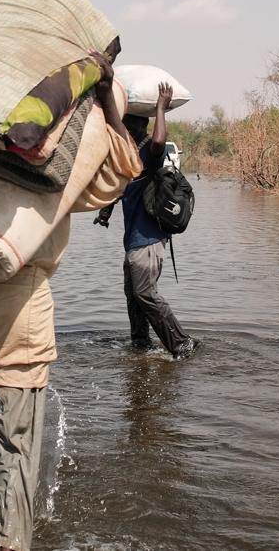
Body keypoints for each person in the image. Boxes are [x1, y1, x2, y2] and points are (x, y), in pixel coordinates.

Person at [0, 53, 142, 551]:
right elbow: (119, 171)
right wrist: (105, 100)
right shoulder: (52, 170)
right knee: (17, 447)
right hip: (21, 314)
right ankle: (10, 542)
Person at [94, 83, 200, 360]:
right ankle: (140, 344)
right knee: (133, 295)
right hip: (133, 241)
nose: (122, 130)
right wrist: (106, 211)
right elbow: (123, 188)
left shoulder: (150, 155)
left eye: (126, 125)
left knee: (144, 293)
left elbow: (157, 142)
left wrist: (160, 108)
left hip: (148, 240)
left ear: (137, 127)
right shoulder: (129, 157)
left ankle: (181, 342)